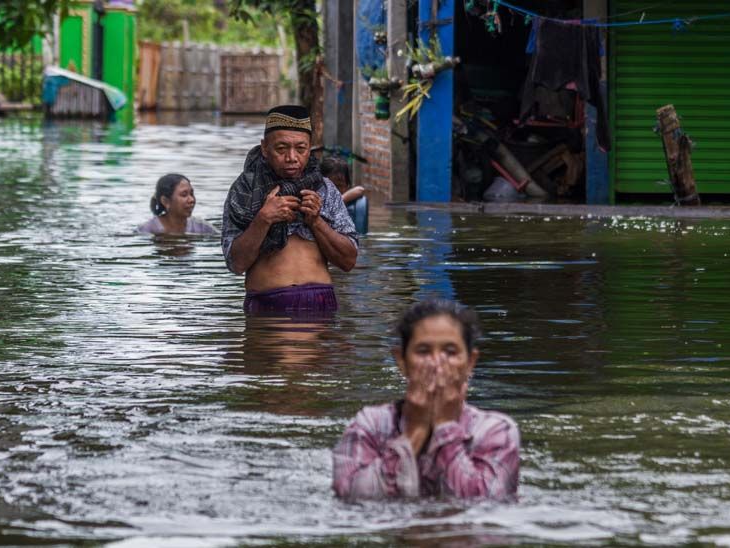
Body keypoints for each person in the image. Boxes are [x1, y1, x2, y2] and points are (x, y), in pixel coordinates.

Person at [332, 299, 521, 500]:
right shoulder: (371, 425)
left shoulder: (495, 431)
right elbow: (353, 497)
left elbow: (482, 504)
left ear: (470, 362)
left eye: (450, 352)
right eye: (423, 351)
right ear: (402, 361)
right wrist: (415, 430)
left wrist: (445, 425)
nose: (436, 363)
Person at [221, 105, 358, 315]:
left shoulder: (325, 189)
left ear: (310, 148)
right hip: (266, 307)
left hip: (320, 304)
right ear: (264, 148)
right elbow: (236, 264)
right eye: (281, 148)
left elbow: (348, 261)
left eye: (300, 149)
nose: (292, 157)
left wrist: (316, 222)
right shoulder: (244, 190)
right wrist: (263, 219)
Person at [138, 173, 217, 235]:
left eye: (191, 194)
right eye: (184, 195)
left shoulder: (202, 227)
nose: (191, 200)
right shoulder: (147, 230)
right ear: (165, 201)